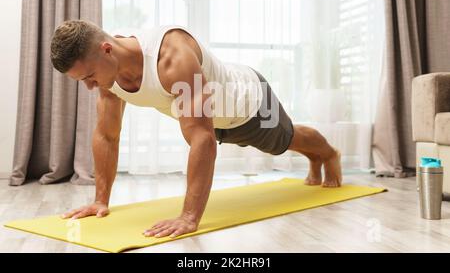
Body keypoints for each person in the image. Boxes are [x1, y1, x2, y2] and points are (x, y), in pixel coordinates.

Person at [50, 20, 342, 239]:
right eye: (82, 80)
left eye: (88, 76)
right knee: (276, 140)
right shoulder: (108, 77)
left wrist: (189, 217)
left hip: (248, 102)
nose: (89, 85)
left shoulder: (172, 57)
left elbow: (202, 138)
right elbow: (107, 135)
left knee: (286, 139)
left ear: (107, 50)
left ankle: (328, 155)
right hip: (214, 121)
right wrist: (101, 199)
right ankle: (317, 158)